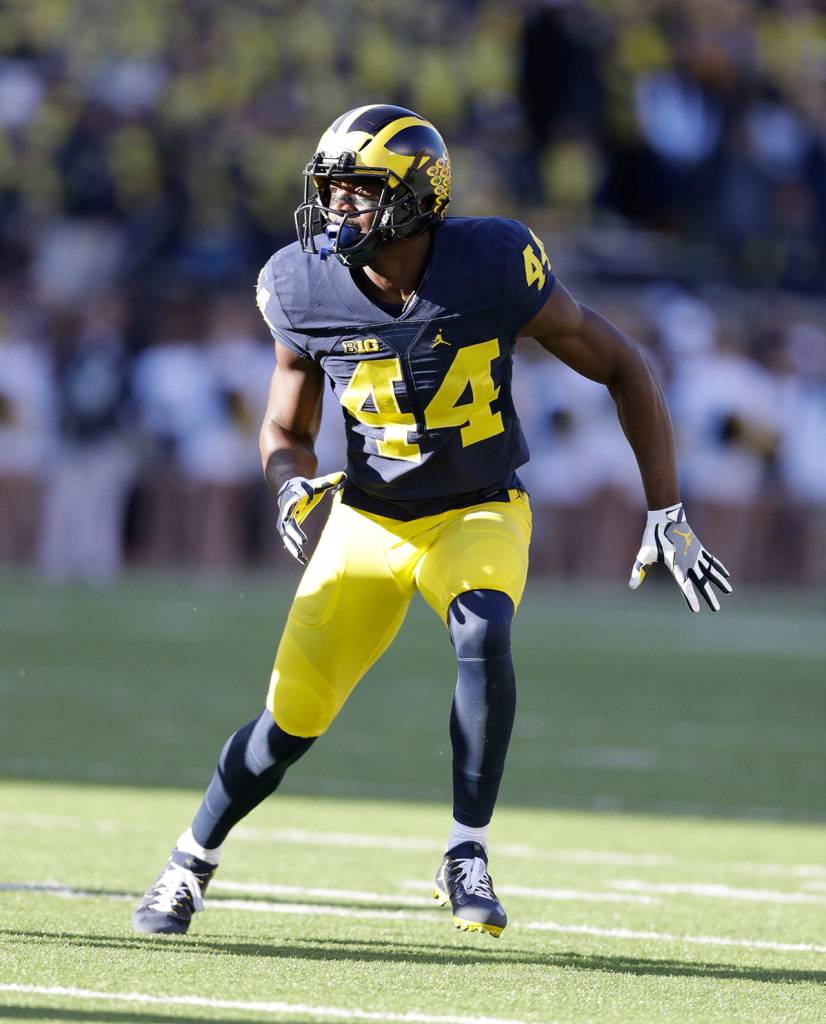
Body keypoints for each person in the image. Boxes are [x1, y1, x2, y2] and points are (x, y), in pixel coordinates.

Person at [133, 104, 732, 939]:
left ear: (418, 197)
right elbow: (283, 427)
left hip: (479, 508)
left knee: (482, 626)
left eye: (358, 193)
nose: (336, 210)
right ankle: (189, 862)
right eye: (331, 192)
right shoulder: (301, 285)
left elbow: (623, 365)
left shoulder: (491, 262)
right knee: (286, 725)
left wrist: (666, 506)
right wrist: (287, 486)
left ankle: (466, 851)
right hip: (368, 522)